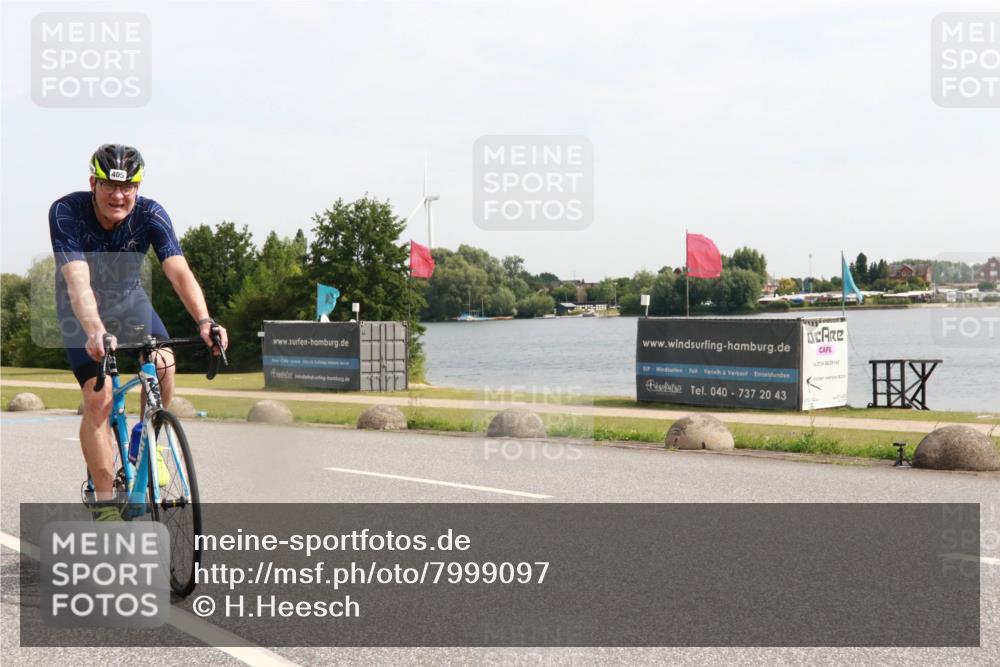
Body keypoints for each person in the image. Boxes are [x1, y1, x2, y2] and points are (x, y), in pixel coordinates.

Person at [50, 144, 229, 519]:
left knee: (163, 363)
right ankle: (105, 505)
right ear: (93, 183)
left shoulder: (151, 213)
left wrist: (205, 321)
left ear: (138, 186)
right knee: (99, 396)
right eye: (109, 186)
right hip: (81, 308)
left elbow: (177, 269)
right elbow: (77, 281)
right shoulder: (66, 211)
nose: (119, 195)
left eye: (128, 186)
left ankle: (144, 438)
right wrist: (95, 330)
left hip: (130, 302)